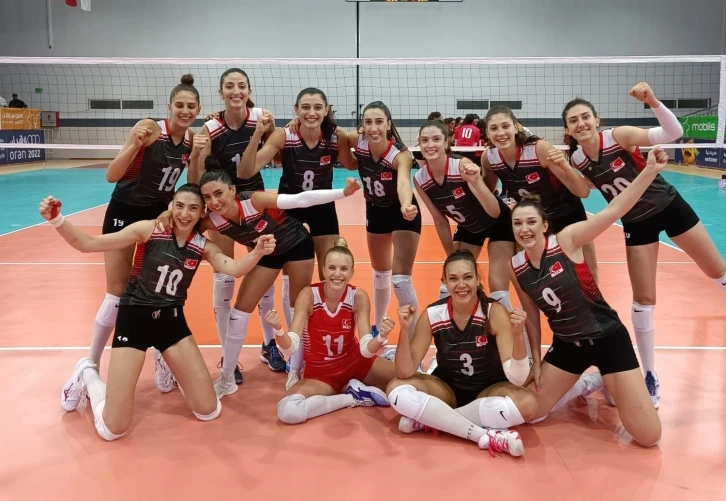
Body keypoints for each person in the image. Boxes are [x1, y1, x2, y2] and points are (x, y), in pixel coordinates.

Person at [47, 184, 276, 441]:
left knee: (209, 410)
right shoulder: (149, 230)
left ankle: (168, 360)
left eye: (193, 208)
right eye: (179, 206)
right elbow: (88, 243)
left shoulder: (203, 246)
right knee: (113, 429)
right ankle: (87, 373)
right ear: (171, 206)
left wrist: (257, 252)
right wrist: (57, 219)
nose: (184, 214)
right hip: (134, 321)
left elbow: (234, 268)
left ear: (202, 213)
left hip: (171, 324)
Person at [563, 82, 726, 407]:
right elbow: (583, 190)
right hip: (636, 223)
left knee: (717, 271)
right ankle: (650, 376)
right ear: (567, 129)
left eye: (585, 117)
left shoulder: (618, 136)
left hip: (669, 206)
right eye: (573, 120)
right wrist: (559, 166)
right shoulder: (577, 158)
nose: (580, 124)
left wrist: (651, 100)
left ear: (596, 119)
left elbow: (673, 132)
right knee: (643, 300)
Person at [510, 147, 674, 448]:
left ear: (544, 225)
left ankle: (607, 376)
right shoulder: (516, 265)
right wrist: (536, 361)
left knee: (649, 436)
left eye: (531, 222)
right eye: (517, 223)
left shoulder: (567, 240)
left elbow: (613, 211)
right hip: (567, 345)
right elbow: (531, 316)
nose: (524, 229)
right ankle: (587, 382)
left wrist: (649, 170)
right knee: (532, 413)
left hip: (607, 338)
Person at [157, 162, 360, 397]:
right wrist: (168, 212)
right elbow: (184, 222)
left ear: (232, 190)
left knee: (297, 307)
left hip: (297, 244)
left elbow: (301, 199)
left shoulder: (254, 201)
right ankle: (227, 377)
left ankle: (296, 369)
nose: (214, 202)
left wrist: (343, 192)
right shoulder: (212, 221)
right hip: (268, 252)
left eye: (219, 193)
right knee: (239, 311)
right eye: (208, 197)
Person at [62, 75, 199, 396]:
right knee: (116, 292)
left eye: (191, 106)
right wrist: (135, 145)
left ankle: (162, 358)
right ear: (169, 107)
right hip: (125, 210)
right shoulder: (150, 129)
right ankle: (90, 365)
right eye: (179, 105)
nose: (185, 111)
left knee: (157, 292)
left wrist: (197, 158)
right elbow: (112, 175)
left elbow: (190, 183)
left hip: (158, 216)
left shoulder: (192, 140)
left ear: (198, 109)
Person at [238, 87, 357, 386]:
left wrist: (356, 135)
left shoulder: (335, 137)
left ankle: (333, 343)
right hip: (288, 208)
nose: (311, 112)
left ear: (326, 110)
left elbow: (353, 163)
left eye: (317, 107)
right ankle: (295, 353)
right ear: (296, 109)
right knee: (292, 278)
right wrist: (260, 134)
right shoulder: (284, 136)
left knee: (331, 275)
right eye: (305, 107)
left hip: (323, 208)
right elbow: (247, 170)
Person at [187, 68, 284, 377]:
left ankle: (269, 345)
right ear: (221, 93)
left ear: (249, 91)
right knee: (224, 277)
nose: (236, 91)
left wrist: (279, 130)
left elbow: (278, 154)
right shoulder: (211, 128)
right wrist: (196, 154)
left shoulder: (261, 119)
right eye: (229, 86)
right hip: (222, 205)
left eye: (241, 86)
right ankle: (228, 355)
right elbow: (197, 179)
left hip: (254, 201)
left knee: (264, 273)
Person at [385, 250, 528, 457]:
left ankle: (431, 420)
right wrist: (405, 330)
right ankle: (483, 435)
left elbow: (517, 378)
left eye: (467, 277)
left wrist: (518, 336)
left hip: (488, 390)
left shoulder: (494, 312)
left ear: (478, 279)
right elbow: (405, 371)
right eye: (453, 279)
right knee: (395, 389)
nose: (461, 285)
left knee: (528, 404)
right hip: (447, 390)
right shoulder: (433, 314)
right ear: (444, 281)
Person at [267, 238, 398, 424]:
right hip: (321, 373)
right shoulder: (309, 295)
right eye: (332, 268)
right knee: (288, 411)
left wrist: (382, 336)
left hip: (355, 361)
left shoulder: (358, 296)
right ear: (323, 269)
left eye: (344, 269)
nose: (337, 274)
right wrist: (279, 331)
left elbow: (366, 349)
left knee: (412, 380)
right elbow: (291, 347)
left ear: (352, 272)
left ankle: (376, 373)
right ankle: (353, 396)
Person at [482, 105, 598, 281]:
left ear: (516, 127)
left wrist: (566, 167)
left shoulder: (539, 149)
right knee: (537, 279)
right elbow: (486, 194)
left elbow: (583, 192)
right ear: (487, 132)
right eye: (494, 128)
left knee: (588, 275)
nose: (501, 133)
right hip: (534, 224)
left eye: (505, 126)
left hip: (568, 215)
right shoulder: (489, 158)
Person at [413, 120, 516, 311]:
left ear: (446, 142)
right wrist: (450, 258)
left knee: (498, 290)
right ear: (419, 143)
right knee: (450, 282)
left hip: (499, 223)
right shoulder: (420, 179)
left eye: (436, 139)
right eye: (425, 140)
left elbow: (495, 211)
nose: (430, 144)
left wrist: (476, 182)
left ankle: (509, 327)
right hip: (469, 227)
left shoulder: (461, 166)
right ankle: (456, 324)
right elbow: (440, 221)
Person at [341, 101, 420, 340]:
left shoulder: (399, 155)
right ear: (362, 126)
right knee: (380, 274)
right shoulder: (359, 142)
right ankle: (377, 327)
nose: (373, 127)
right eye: (368, 122)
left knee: (401, 280)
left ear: (388, 125)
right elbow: (338, 137)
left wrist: (406, 204)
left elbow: (404, 182)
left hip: (401, 211)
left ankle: (412, 339)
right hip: (375, 210)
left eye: (378, 122)